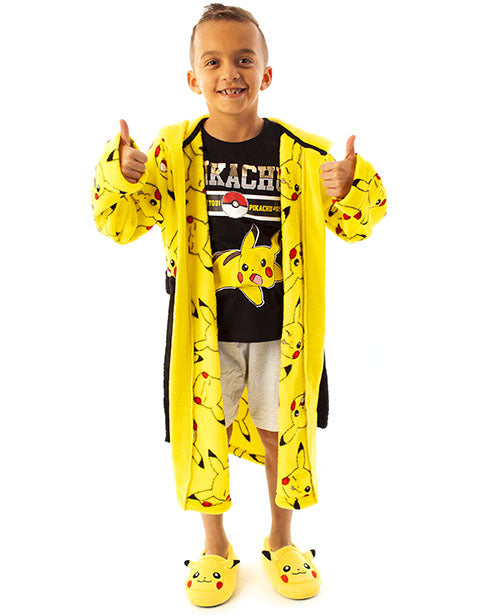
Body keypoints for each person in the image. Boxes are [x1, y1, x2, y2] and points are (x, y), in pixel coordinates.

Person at [90, 3, 387, 607]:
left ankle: (281, 539)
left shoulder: (303, 153)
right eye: (214, 61)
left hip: (283, 332)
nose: (230, 72)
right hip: (205, 334)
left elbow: (357, 224)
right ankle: (215, 545)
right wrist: (123, 175)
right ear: (193, 78)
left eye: (244, 59)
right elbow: (119, 223)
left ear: (266, 74)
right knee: (208, 432)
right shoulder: (172, 153)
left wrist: (349, 185)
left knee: (281, 434)